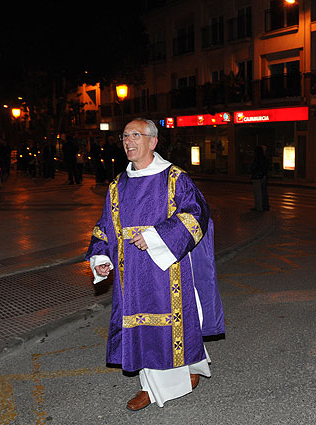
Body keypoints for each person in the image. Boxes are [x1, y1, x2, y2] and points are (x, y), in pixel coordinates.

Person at [85, 118, 225, 411]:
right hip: (130, 273)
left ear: (153, 141)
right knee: (140, 326)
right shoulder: (117, 185)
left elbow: (196, 214)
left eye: (135, 135)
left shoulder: (174, 179)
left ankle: (169, 383)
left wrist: (156, 237)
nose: (128, 141)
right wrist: (101, 258)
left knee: (168, 324)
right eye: (124, 136)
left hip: (167, 269)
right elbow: (103, 227)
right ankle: (151, 385)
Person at [250, 145, 270, 211]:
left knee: (258, 193)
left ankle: (259, 207)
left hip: (257, 177)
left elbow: (255, 168)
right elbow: (266, 167)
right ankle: (265, 206)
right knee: (264, 192)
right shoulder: (264, 158)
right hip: (263, 177)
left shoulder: (257, 158)